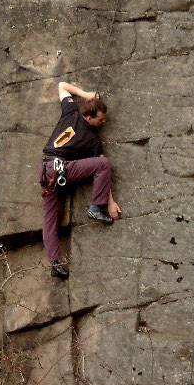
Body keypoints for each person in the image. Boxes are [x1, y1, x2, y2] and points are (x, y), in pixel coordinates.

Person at [40, 81, 121, 279]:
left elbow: (62, 86)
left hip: (45, 170)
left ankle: (54, 263)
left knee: (51, 218)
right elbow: (102, 167)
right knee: (104, 164)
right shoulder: (92, 140)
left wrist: (85, 94)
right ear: (89, 116)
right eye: (100, 120)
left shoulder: (71, 112)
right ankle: (95, 208)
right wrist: (108, 202)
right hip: (61, 169)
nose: (104, 123)